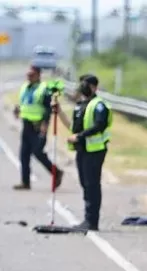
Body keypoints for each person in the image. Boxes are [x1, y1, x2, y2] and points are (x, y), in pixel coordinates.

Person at [55, 74, 112, 231]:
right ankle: (88, 219)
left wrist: (79, 136)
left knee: (92, 185)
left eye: (86, 84)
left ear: (94, 87)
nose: (82, 87)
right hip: (82, 150)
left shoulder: (99, 105)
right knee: (84, 184)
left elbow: (100, 125)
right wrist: (59, 112)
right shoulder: (80, 105)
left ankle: (92, 221)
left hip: (95, 150)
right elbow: (74, 127)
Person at [13, 65, 64, 190]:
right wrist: (18, 109)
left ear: (38, 75)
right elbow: (24, 102)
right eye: (28, 75)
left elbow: (48, 109)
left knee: (38, 152)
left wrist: (45, 124)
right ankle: (25, 182)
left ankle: (56, 172)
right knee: (24, 154)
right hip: (26, 125)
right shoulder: (25, 87)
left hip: (38, 125)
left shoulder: (43, 89)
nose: (29, 77)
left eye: (32, 75)